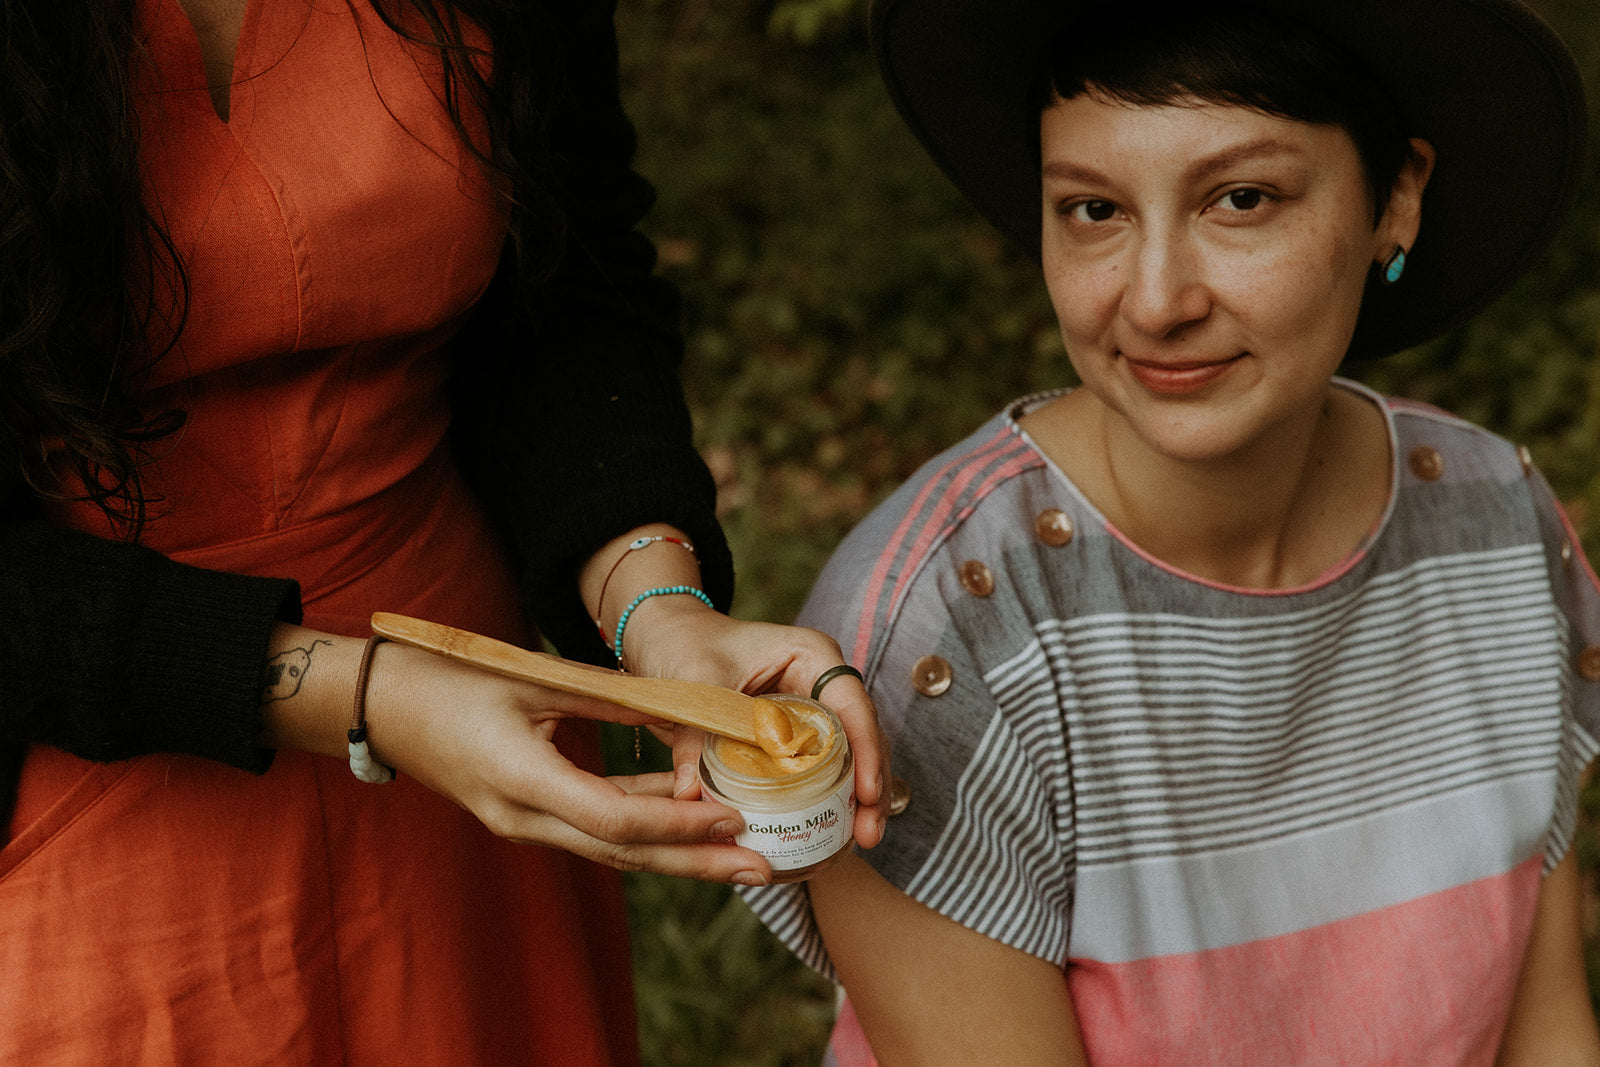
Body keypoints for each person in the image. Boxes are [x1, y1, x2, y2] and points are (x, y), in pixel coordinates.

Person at [0, 0, 886, 1062]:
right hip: (77, 740)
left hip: (473, 749)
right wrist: (373, 697)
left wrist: (657, 609)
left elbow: (566, 295)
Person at [741, 0, 1600, 1062]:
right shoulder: (942, 637)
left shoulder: (1494, 522)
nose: (1154, 302)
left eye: (1241, 198)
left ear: (1397, 196)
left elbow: (1549, 1029)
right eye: (1093, 209)